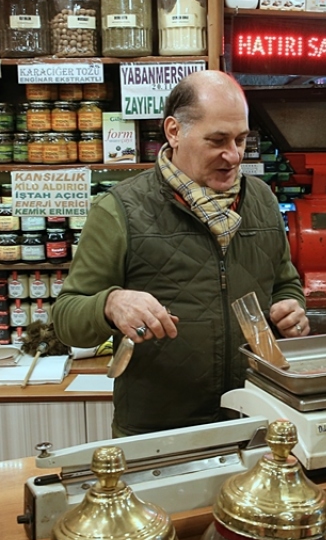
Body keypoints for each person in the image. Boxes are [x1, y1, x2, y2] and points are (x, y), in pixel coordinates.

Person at [53, 71, 309, 437]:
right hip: (158, 433)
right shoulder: (120, 209)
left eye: (241, 139)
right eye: (217, 140)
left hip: (257, 419)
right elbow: (66, 319)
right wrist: (111, 304)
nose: (233, 155)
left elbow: (285, 284)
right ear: (174, 131)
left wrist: (291, 310)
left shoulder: (263, 201)